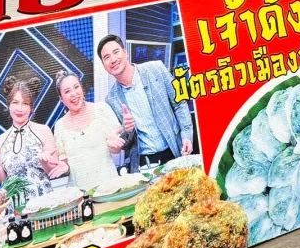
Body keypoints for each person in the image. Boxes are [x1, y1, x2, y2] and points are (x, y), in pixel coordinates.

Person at [98, 34, 194, 169]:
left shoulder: (156, 69)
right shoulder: (111, 100)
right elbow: (125, 144)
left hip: (176, 152)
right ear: (104, 65)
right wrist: (127, 129)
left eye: (116, 52)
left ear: (125, 53)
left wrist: (187, 135)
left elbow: (179, 102)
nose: (113, 59)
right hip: (145, 164)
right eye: (106, 57)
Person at [0, 74, 68, 200]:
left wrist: (44, 161)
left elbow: (53, 172)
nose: (19, 109)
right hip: (16, 205)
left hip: (43, 201)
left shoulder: (43, 130)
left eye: (25, 103)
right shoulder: (1, 139)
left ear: (31, 107)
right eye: (15, 102)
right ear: (9, 105)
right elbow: (6, 182)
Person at [52, 72, 128, 191]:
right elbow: (65, 165)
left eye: (76, 87)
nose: (74, 94)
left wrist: (114, 145)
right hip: (80, 195)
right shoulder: (59, 126)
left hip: (109, 189)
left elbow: (116, 150)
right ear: (61, 98)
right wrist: (64, 167)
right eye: (67, 91)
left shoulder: (101, 110)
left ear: (82, 88)